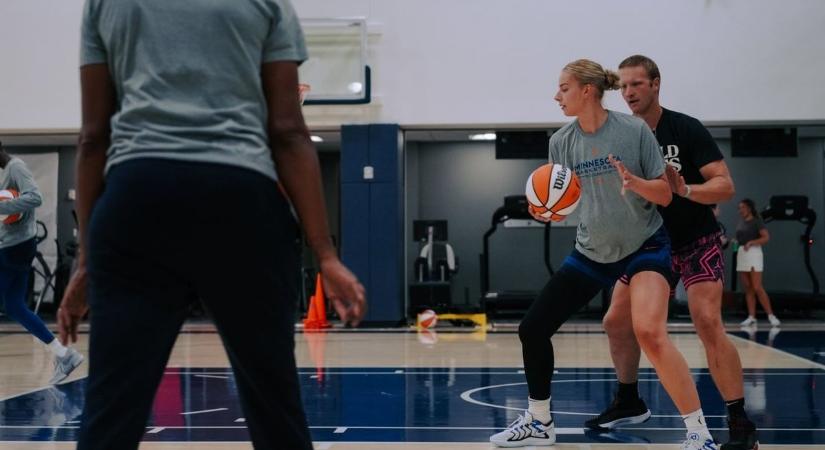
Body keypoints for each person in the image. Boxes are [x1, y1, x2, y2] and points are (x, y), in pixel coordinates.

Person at [57, 1, 366, 449]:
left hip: (138, 200)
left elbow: (92, 138)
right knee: (274, 405)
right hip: (241, 200)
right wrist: (326, 255)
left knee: (111, 414)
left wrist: (86, 263)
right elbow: (288, 131)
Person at [489, 59, 717, 450]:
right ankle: (540, 422)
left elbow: (664, 194)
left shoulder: (633, 131)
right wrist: (545, 208)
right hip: (592, 249)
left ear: (587, 91)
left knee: (648, 332)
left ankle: (699, 433)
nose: (556, 95)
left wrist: (635, 182)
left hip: (644, 246)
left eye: (563, 88)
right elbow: (565, 198)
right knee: (533, 328)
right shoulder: (561, 141)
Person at [585, 55, 758, 450]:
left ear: (656, 84)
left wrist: (686, 191)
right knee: (616, 320)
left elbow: (725, 185)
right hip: (651, 244)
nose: (628, 93)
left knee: (706, 321)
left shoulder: (685, 128)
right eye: (623, 87)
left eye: (636, 85)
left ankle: (740, 422)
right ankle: (628, 400)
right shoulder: (620, 134)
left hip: (695, 239)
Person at [0, 142, 84, 385]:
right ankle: (64, 354)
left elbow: (34, 197)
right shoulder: (9, 172)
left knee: (13, 304)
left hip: (15, 247)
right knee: (15, 306)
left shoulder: (16, 167)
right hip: (18, 245)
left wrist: (2, 207)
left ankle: (63, 354)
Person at [736, 198, 779, 327]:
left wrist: (752, 242)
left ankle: (771, 315)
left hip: (754, 253)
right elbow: (741, 238)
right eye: (739, 208)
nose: (740, 210)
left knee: (757, 287)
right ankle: (751, 316)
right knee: (748, 288)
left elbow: (766, 237)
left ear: (749, 208)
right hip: (742, 253)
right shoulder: (742, 222)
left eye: (742, 207)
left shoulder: (757, 221)